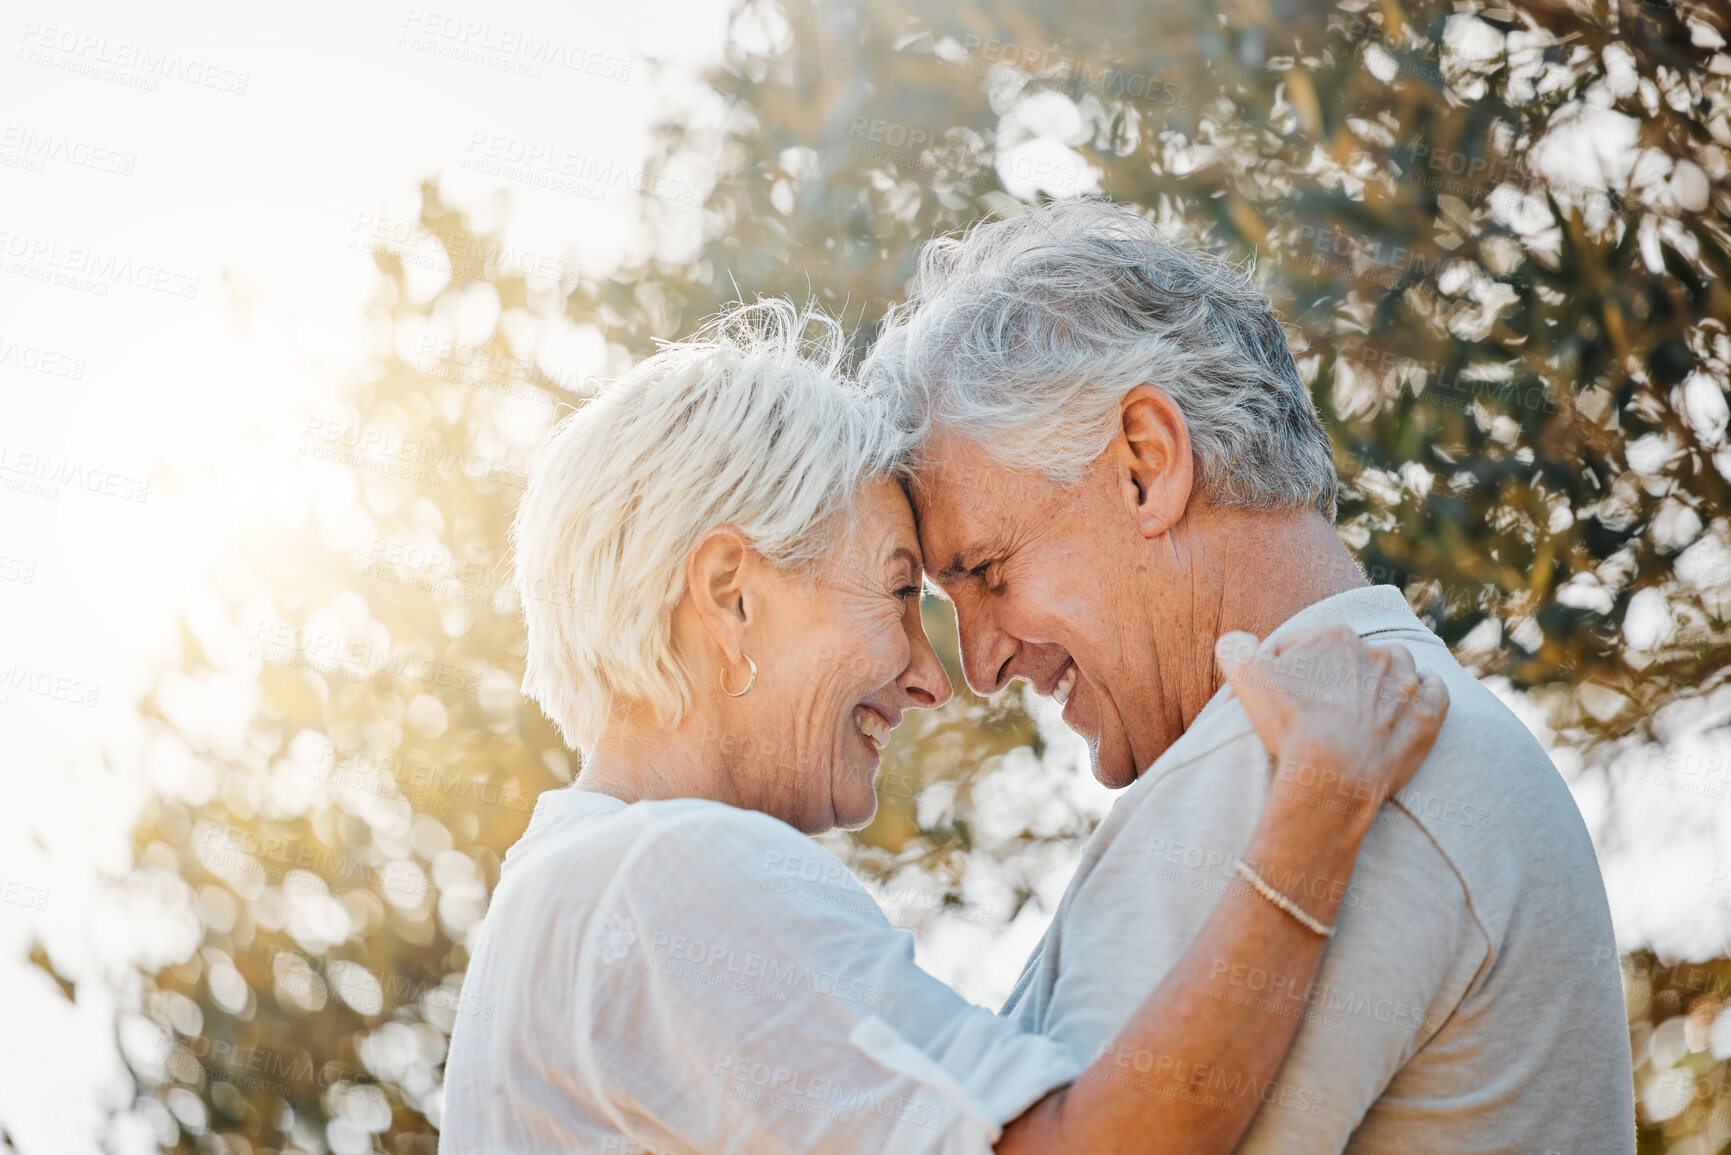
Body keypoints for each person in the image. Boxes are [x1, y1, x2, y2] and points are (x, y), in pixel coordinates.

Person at [440, 299, 1449, 1154]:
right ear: (730, 595)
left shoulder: (568, 887)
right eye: (896, 591)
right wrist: (1320, 805)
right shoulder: (669, 874)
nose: (936, 680)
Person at [861, 197, 1636, 1153]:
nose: (978, 665)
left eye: (984, 571)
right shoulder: (1426, 728)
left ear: (1145, 465)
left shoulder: (1280, 763)